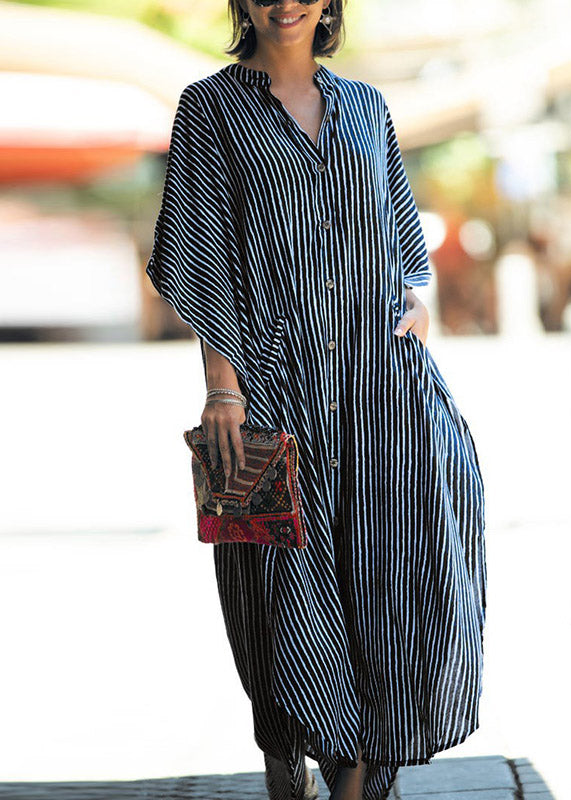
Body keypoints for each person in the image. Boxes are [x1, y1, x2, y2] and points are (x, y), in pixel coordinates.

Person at [145, 2, 488, 799]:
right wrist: (221, 387)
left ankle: (357, 779)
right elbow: (204, 251)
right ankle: (288, 750)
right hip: (273, 389)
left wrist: (415, 302)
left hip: (381, 395)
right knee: (275, 592)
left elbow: (402, 237)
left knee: (387, 582)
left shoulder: (367, 106)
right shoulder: (209, 108)